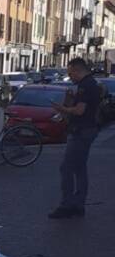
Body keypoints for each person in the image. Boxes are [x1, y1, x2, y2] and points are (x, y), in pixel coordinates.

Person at [48, 57, 101, 219]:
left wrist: (61, 108)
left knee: (67, 168)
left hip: (81, 131)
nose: (70, 77)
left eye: (71, 73)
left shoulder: (86, 86)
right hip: (88, 129)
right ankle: (78, 204)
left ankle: (67, 205)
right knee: (79, 168)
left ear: (78, 70)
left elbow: (79, 111)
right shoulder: (90, 84)